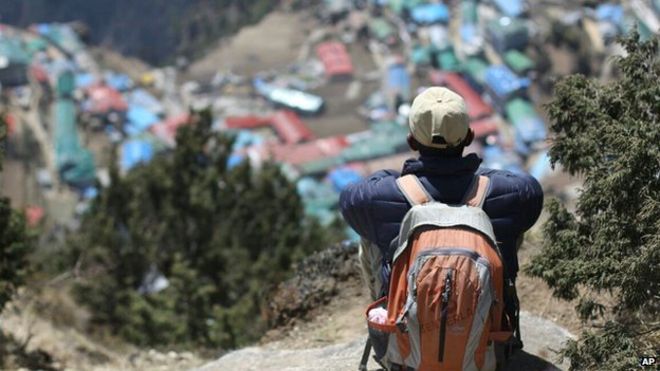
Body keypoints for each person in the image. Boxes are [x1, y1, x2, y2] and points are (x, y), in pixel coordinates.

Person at [340, 87, 543, 300]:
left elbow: (349, 197)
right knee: (508, 232)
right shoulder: (515, 194)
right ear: (469, 137)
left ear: (411, 141)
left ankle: (384, 310)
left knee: (370, 240)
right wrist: (474, 171)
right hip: (486, 324)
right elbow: (529, 187)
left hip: (408, 326)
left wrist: (399, 176)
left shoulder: (375, 197)